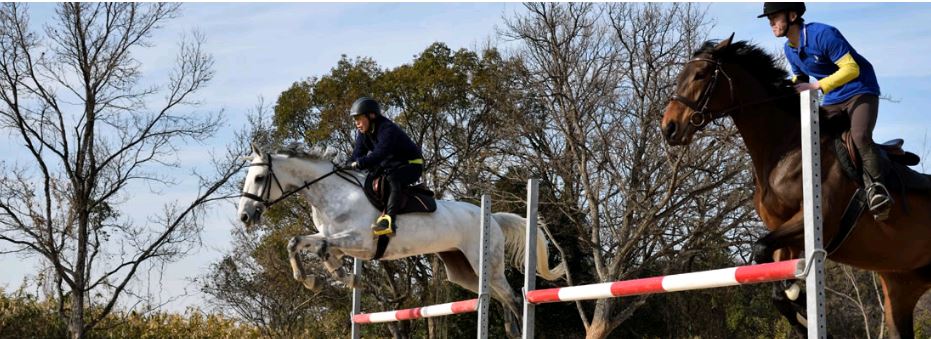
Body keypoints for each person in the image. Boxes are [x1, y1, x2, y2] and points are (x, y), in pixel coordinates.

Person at [760, 2, 892, 220]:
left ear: (792, 16)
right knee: (814, 138)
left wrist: (816, 86)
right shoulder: (790, 49)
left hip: (861, 90)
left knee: (859, 136)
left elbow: (851, 68)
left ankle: (877, 189)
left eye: (775, 17)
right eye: (769, 19)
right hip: (834, 97)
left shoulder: (822, 34)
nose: (771, 23)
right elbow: (800, 79)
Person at [347, 97, 424, 235]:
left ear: (371, 116)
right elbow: (356, 155)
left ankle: (389, 221)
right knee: (370, 179)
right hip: (391, 167)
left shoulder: (387, 128)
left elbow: (380, 153)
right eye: (354, 120)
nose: (356, 123)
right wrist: (346, 165)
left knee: (392, 178)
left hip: (411, 166)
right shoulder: (363, 133)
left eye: (358, 118)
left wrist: (361, 163)